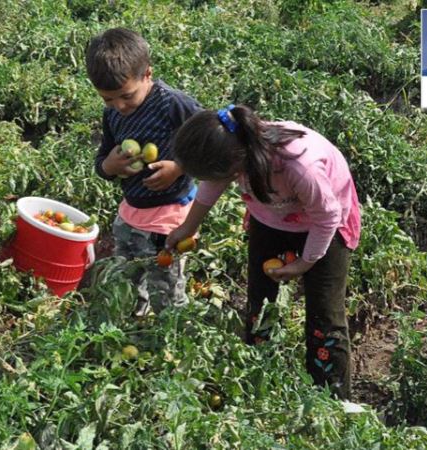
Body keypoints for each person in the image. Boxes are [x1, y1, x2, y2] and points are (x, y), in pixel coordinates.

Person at [165, 104, 361, 399]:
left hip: (324, 228)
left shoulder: (298, 166)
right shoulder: (233, 148)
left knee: (325, 318)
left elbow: (327, 217)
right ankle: (259, 375)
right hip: (271, 218)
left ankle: (333, 399)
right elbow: (211, 185)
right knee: (259, 303)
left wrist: (305, 263)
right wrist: (188, 227)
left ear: (237, 164)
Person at [85, 28, 202, 315]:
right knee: (128, 277)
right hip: (131, 212)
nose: (119, 106)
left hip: (168, 218)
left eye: (126, 96)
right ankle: (137, 322)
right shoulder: (112, 113)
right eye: (107, 99)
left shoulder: (173, 105)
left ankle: (169, 338)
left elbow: (211, 143)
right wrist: (109, 166)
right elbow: (103, 160)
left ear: (147, 74)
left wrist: (179, 167)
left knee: (166, 286)